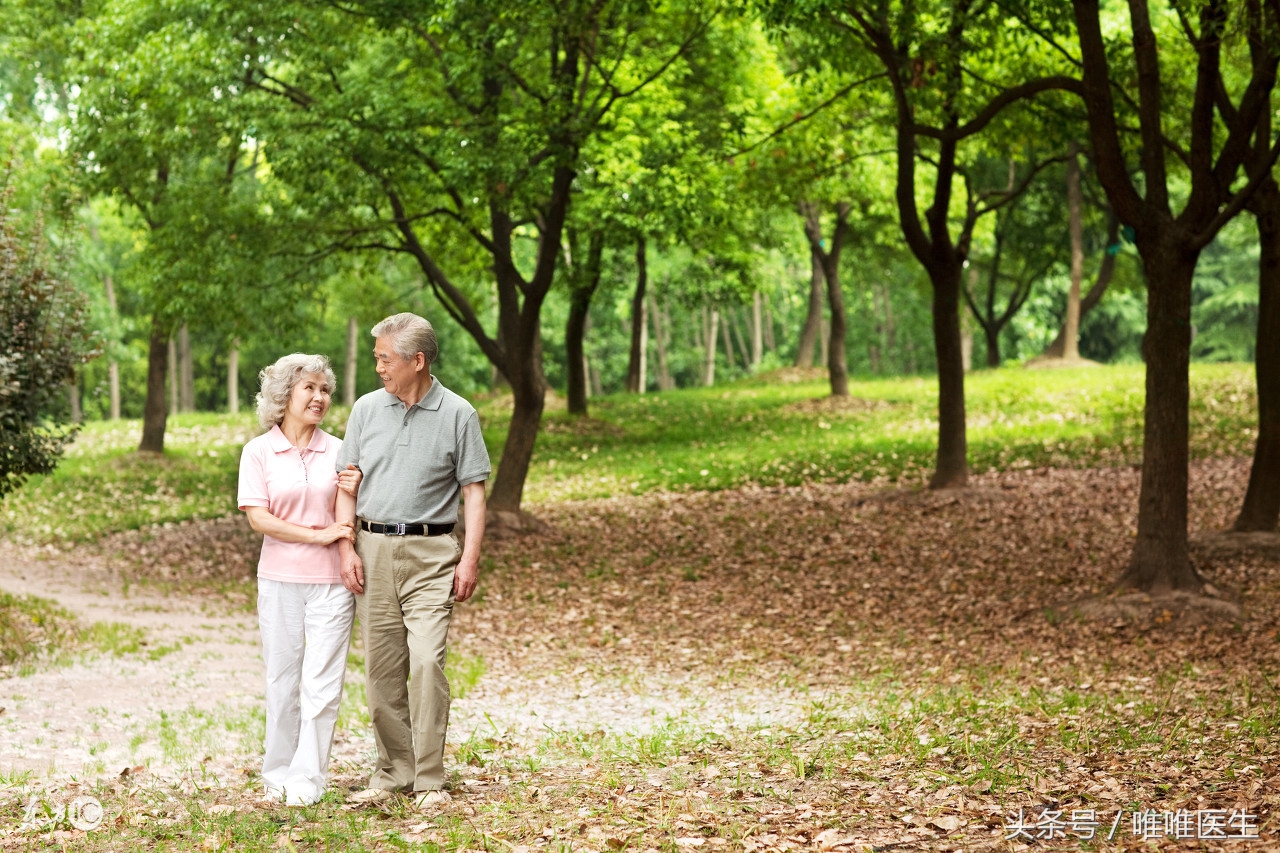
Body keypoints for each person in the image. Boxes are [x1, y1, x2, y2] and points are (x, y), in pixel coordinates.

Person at [334, 312, 490, 809]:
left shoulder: (459, 414)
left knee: (426, 662)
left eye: (385, 358)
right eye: (377, 357)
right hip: (372, 549)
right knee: (382, 668)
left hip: (432, 554)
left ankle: (429, 779)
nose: (378, 366)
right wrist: (345, 545)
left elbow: (475, 492)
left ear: (416, 361)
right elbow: (347, 482)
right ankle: (392, 771)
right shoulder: (364, 409)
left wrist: (469, 558)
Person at [237, 353, 363, 806]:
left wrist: (341, 540)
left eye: (325, 389)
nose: (319, 397)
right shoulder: (258, 451)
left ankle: (308, 780)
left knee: (323, 685)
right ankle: (277, 776)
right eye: (309, 388)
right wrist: (319, 534)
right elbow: (259, 519)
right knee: (282, 681)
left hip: (332, 584)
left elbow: (346, 510)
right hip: (278, 580)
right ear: (284, 394)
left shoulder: (340, 449)